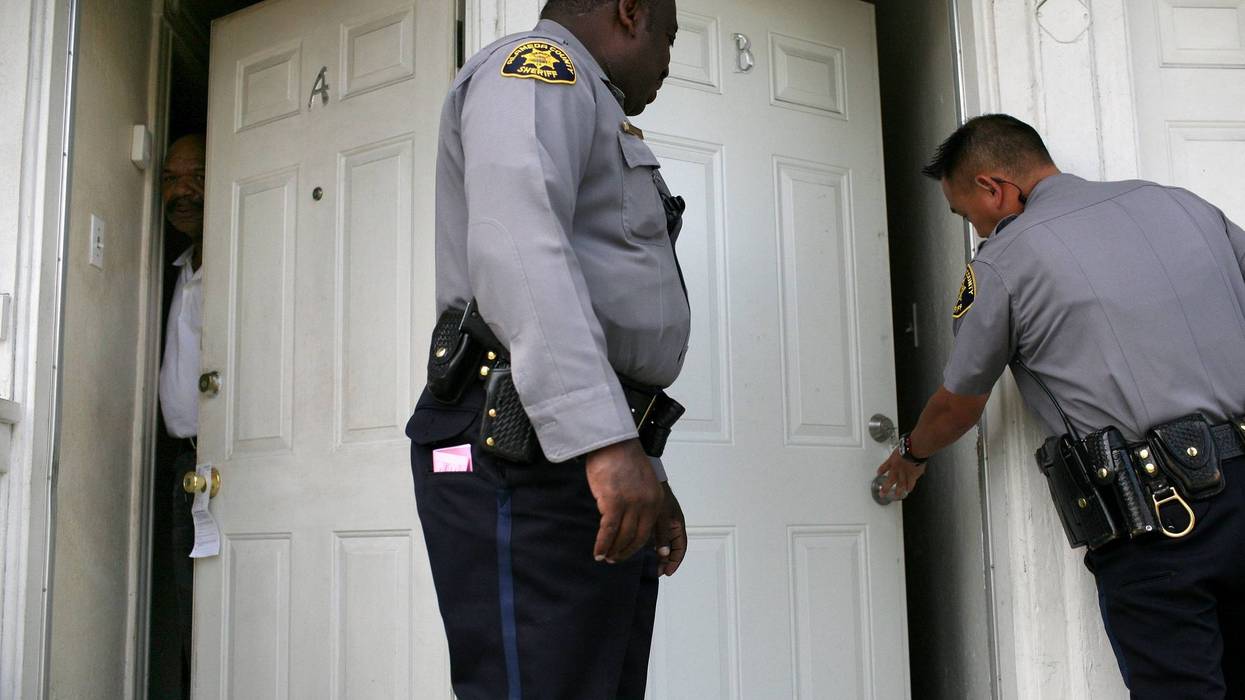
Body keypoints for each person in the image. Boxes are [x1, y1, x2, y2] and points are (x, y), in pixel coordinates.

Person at [876, 114, 1245, 698]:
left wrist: (909, 453)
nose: (973, 229)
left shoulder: (1003, 261)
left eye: (964, 211)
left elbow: (959, 404)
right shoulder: (1183, 205)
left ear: (993, 188)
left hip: (1161, 519)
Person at [405, 1, 689, 698]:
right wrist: (605, 442)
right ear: (629, 11)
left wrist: (638, 459)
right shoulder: (538, 70)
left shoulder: (587, 99)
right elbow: (517, 249)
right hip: (522, 449)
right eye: (668, 37)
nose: (668, 61)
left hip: (566, 447)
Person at [151, 132, 205, 700]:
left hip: (226, 463)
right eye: (170, 179)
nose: (181, 191)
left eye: (197, 177)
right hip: (184, 470)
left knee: (226, 620)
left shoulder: (234, 262)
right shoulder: (182, 265)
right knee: (192, 622)